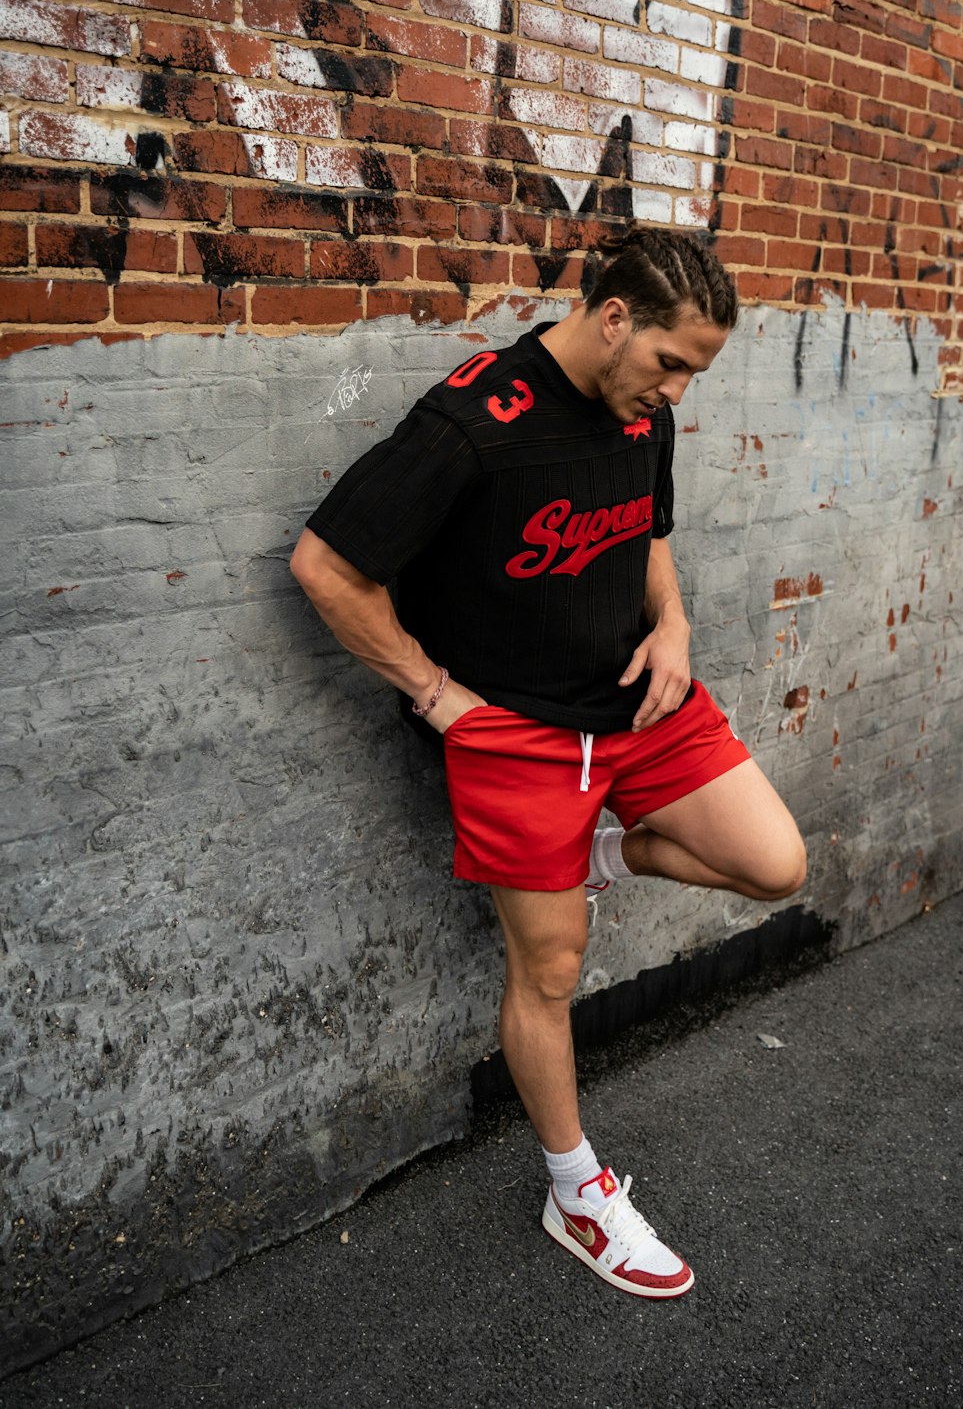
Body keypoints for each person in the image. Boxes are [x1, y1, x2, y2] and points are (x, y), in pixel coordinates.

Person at [290, 226, 806, 1299]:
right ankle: (576, 1191)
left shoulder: (640, 410)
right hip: (517, 734)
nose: (676, 392)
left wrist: (675, 627)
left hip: (637, 703)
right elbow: (327, 566)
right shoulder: (476, 421)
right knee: (551, 972)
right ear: (614, 318)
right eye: (673, 363)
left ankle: (597, 852)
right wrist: (439, 700)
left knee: (776, 864)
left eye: (695, 373)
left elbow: (647, 532)